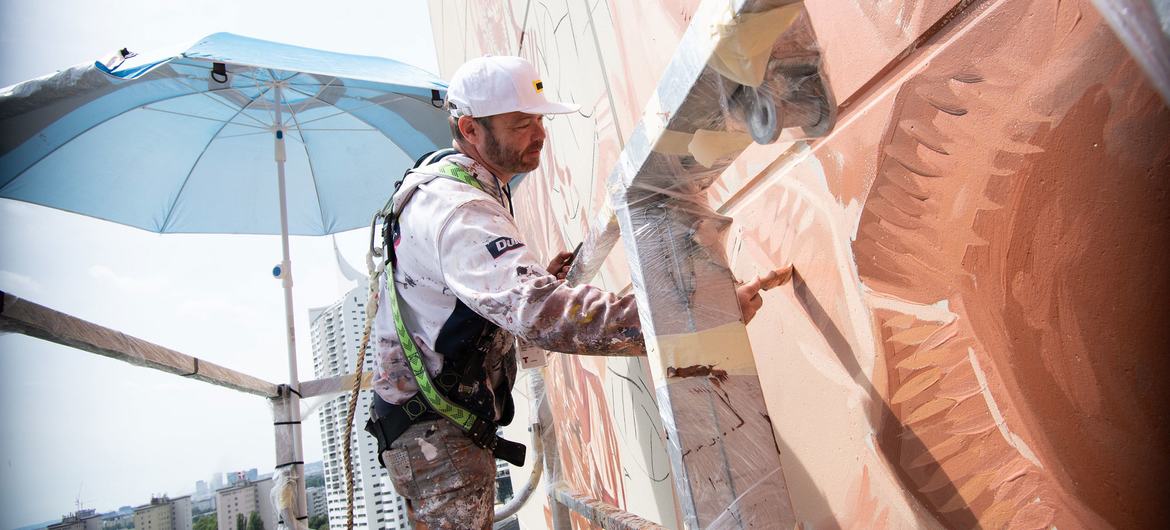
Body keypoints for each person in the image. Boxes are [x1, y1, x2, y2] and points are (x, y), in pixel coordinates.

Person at [366, 55, 769, 529]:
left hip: (430, 427)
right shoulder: (458, 209)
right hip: (435, 436)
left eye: (540, 119)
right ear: (470, 128)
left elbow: (475, 303)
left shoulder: (456, 183)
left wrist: (538, 281)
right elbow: (538, 313)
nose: (539, 134)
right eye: (521, 123)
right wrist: (696, 316)